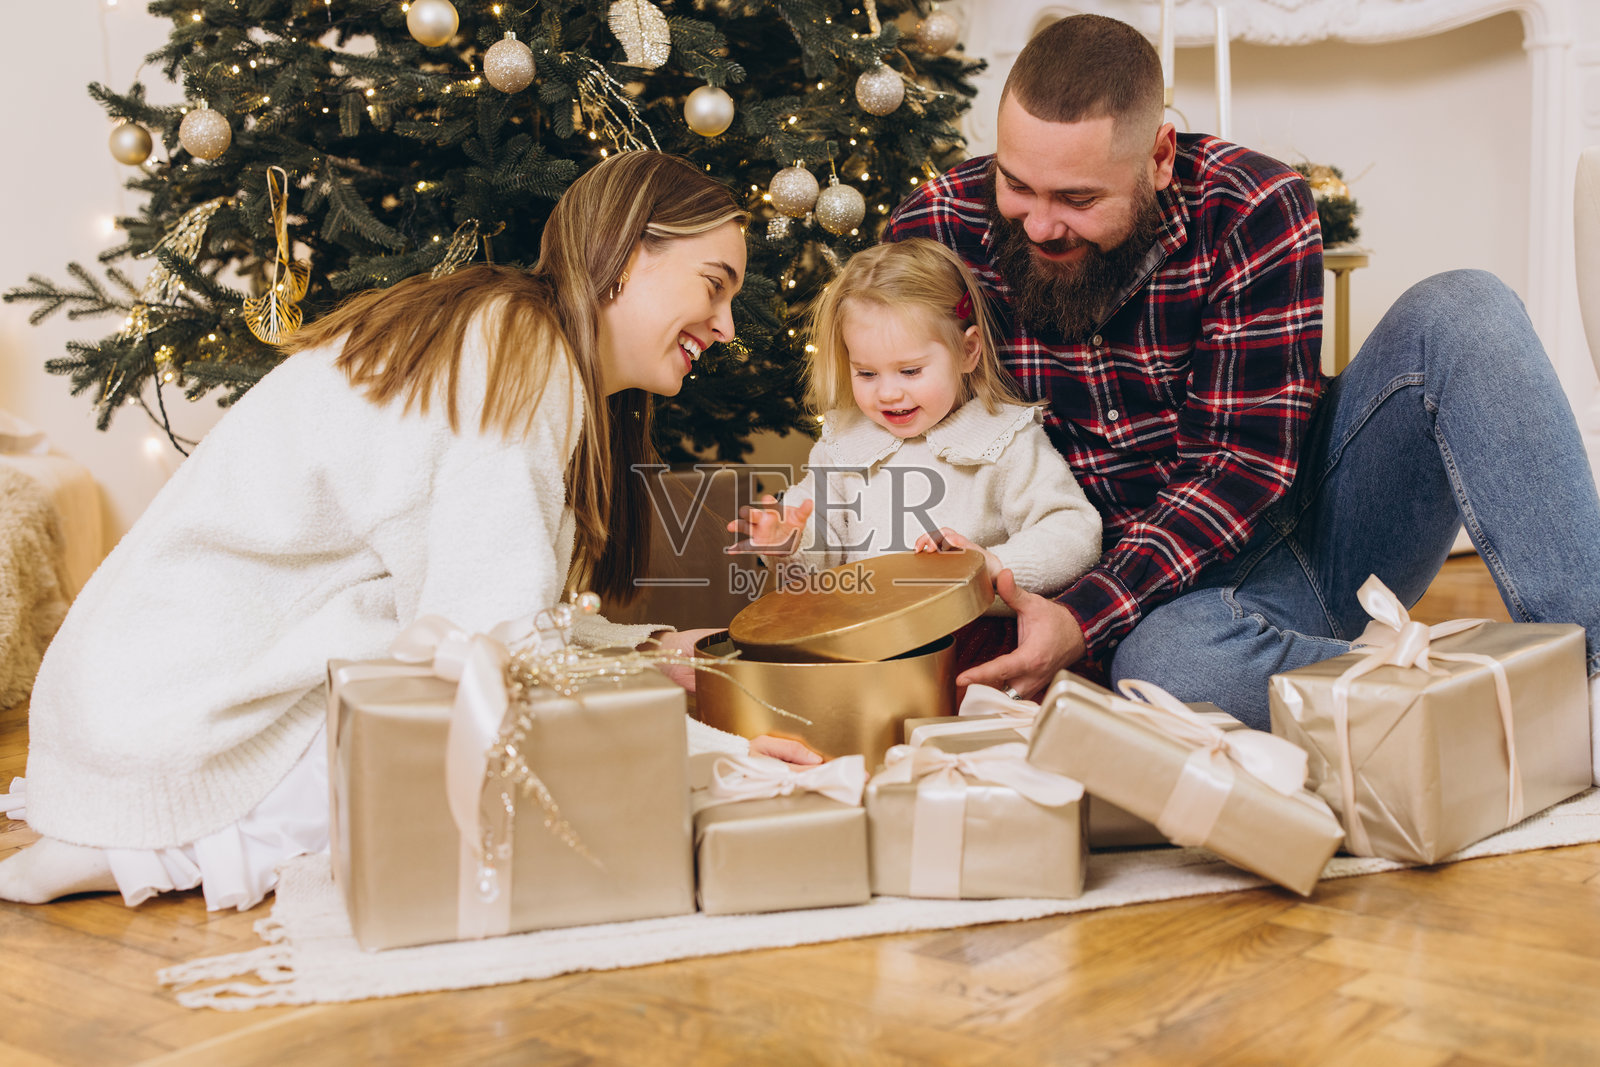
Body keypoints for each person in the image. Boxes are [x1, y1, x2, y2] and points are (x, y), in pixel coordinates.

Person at [0, 150, 772, 909]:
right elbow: (488, 642)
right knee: (432, 750)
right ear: (628, 253)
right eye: (713, 284)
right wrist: (722, 757)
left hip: (124, 695)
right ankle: (148, 844)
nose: (727, 325)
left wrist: (638, 655)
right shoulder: (517, 347)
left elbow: (486, 598)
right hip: (170, 708)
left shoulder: (510, 335)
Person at [885, 12, 1600, 753]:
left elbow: (1242, 469)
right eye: (1016, 183)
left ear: (1159, 156)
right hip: (1145, 615)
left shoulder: (1254, 205)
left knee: (1465, 307)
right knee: (1165, 670)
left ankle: (1595, 675)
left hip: (1304, 536)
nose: (1038, 224)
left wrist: (1084, 617)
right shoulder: (934, 229)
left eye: (1077, 199)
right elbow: (894, 430)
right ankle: (1503, 706)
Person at [727, 238, 1101, 604]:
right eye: (867, 373)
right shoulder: (843, 444)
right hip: (868, 634)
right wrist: (789, 541)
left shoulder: (1005, 439)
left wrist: (993, 565)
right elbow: (819, 542)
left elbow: (1073, 531)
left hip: (972, 631)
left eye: (909, 370)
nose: (888, 393)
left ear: (968, 351)